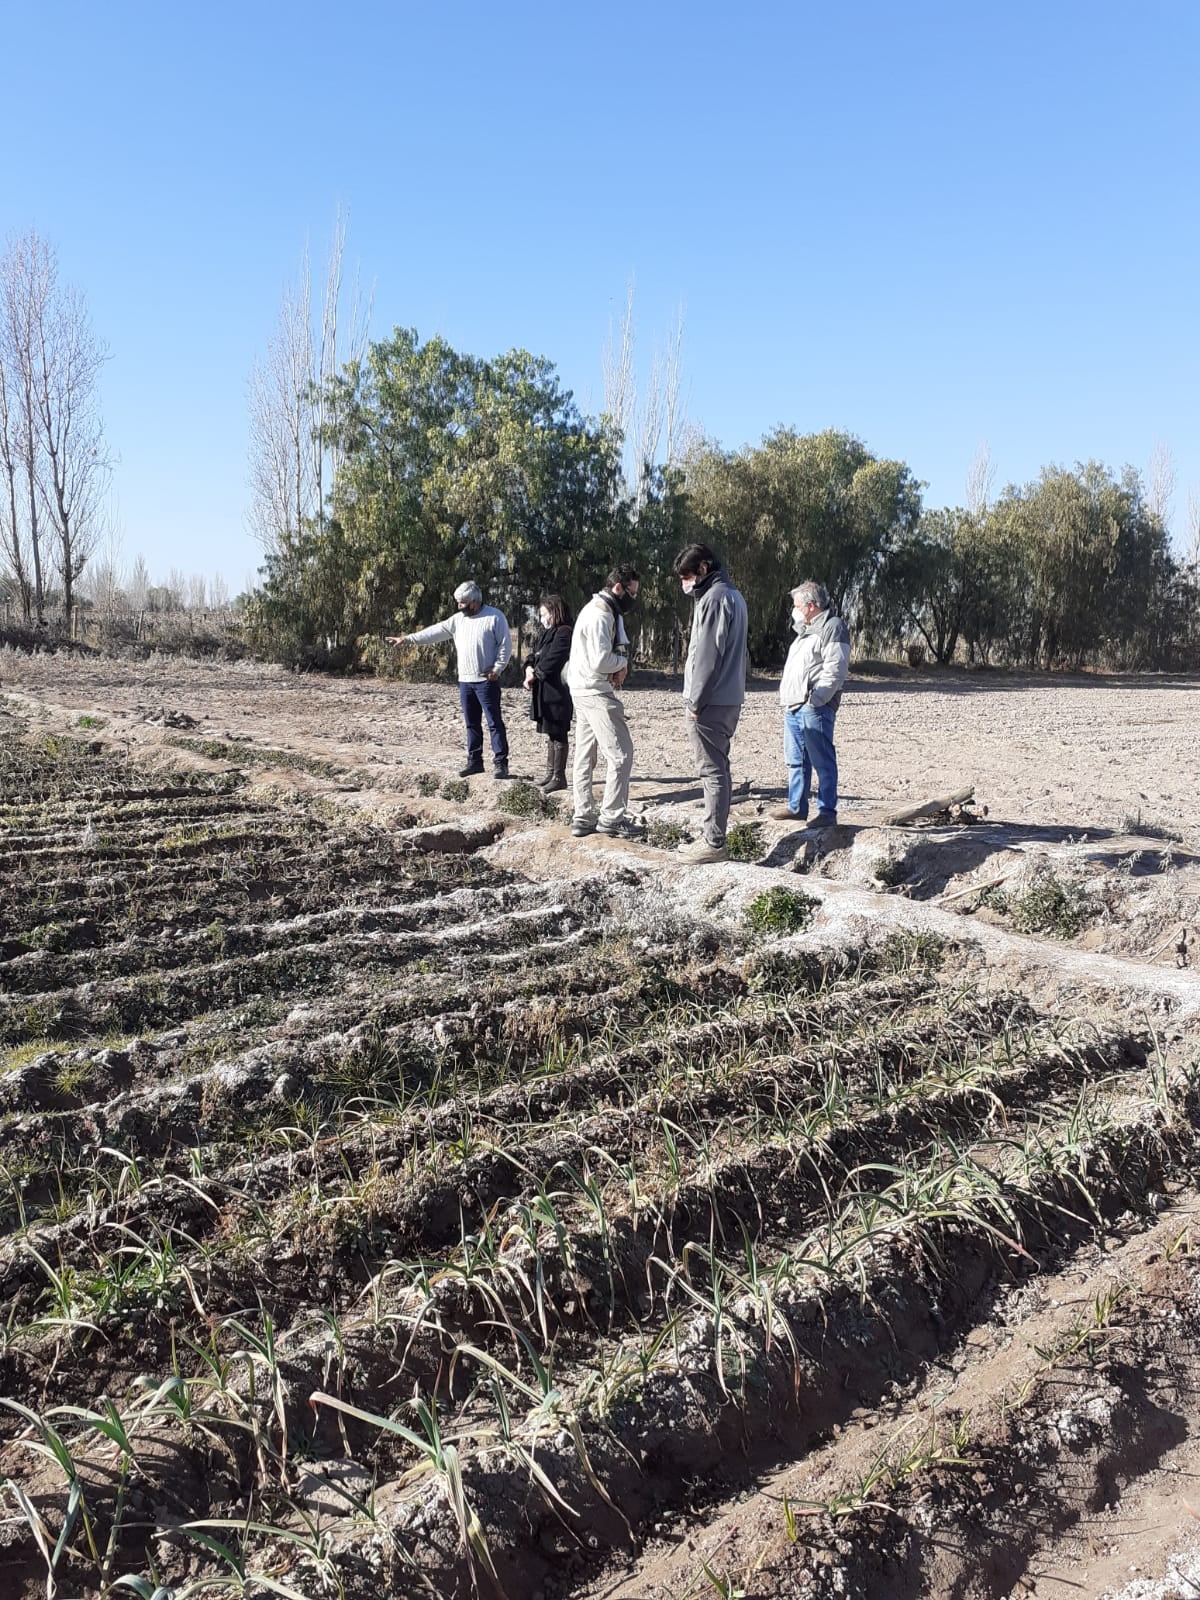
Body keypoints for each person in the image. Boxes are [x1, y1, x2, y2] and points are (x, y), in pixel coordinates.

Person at [387, 581, 513, 778]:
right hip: (465, 681)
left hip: (487, 681)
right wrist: (407, 639)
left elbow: (505, 646)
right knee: (471, 723)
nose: (459, 606)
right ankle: (474, 762)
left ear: (474, 602)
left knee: (494, 722)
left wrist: (497, 669)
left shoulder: (495, 617)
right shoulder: (457, 620)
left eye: (462, 603)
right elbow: (434, 632)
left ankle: (500, 763)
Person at [672, 543, 748, 864]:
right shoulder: (735, 596)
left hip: (710, 701)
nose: (685, 585)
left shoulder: (714, 600)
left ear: (703, 569)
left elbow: (706, 657)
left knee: (712, 771)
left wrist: (695, 700)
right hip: (729, 697)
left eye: (687, 576)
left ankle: (713, 843)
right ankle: (712, 836)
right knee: (719, 767)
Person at [565, 563, 643, 839]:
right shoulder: (602, 616)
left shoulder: (595, 608)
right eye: (631, 593)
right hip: (596, 691)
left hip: (581, 688)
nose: (633, 599)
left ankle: (583, 816)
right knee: (621, 755)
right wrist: (622, 663)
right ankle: (612, 818)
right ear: (618, 588)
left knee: (585, 756)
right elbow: (600, 660)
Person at [778, 580, 851, 828]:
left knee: (822, 760)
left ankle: (827, 812)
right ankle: (796, 807)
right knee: (796, 760)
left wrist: (816, 700)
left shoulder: (833, 627)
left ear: (810, 605)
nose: (794, 609)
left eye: (797, 604)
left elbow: (835, 669)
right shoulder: (803, 631)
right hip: (793, 706)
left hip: (814, 707)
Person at [524, 593, 573, 794]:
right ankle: (550, 772)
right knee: (551, 734)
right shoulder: (549, 632)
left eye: (545, 614)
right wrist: (528, 667)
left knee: (559, 732)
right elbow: (535, 654)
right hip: (544, 691)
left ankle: (559, 777)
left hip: (557, 692)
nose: (543, 618)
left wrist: (536, 674)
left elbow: (553, 659)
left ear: (555, 612)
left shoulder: (565, 632)